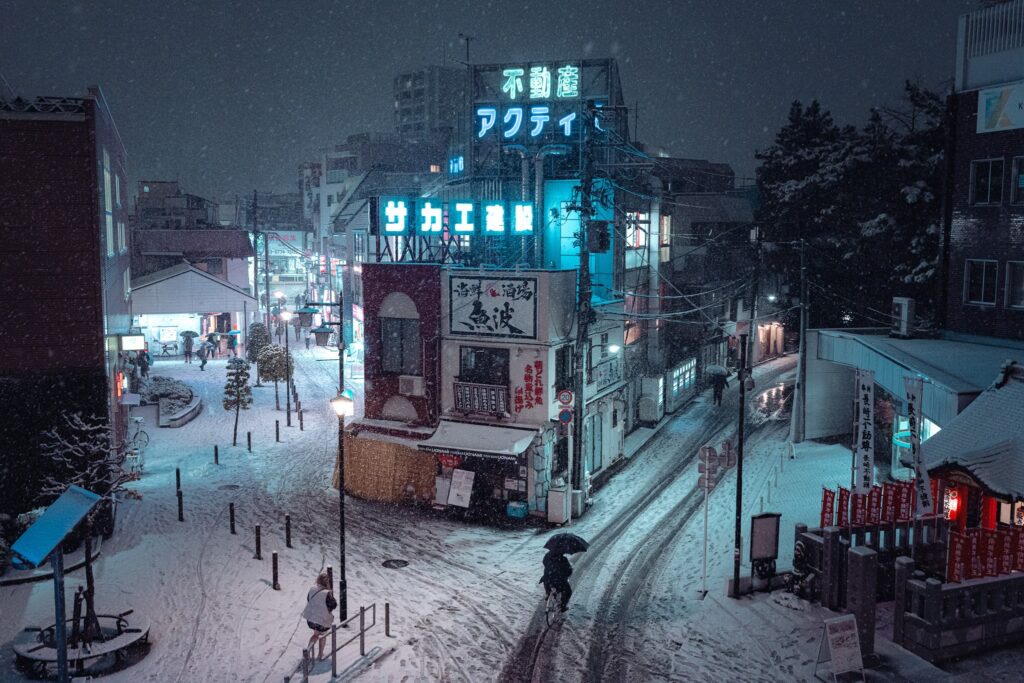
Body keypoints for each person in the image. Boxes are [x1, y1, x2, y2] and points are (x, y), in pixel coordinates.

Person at [302, 572, 336, 661]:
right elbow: (333, 605)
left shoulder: (312, 589)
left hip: (311, 618)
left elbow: (309, 599)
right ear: (327, 582)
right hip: (322, 620)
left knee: (315, 635)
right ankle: (320, 655)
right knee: (322, 635)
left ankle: (308, 652)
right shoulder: (327, 593)